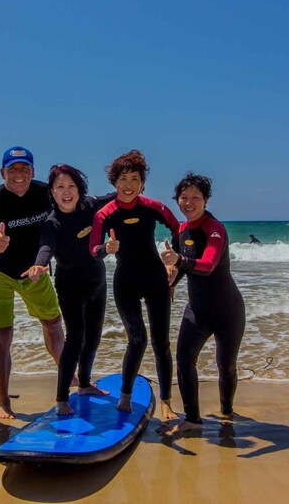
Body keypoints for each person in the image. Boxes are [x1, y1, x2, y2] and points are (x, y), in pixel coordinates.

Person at [0, 146, 65, 419]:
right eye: (12, 169)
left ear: (33, 172)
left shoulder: (45, 193)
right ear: (2, 172)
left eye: (24, 168)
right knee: (3, 335)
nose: (18, 174)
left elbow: (73, 208)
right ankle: (3, 401)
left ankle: (69, 376)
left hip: (34, 271)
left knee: (52, 323)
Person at [88, 149, 180, 420]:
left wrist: (175, 261)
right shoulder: (105, 215)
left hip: (155, 280)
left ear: (142, 183)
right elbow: (93, 249)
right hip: (125, 282)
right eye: (123, 179)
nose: (129, 185)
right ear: (114, 182)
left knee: (161, 342)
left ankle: (166, 402)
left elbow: (180, 231)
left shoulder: (154, 207)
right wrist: (107, 247)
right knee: (137, 339)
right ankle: (126, 394)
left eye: (134, 179)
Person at [22, 165, 116, 415]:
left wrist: (133, 187)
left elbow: (120, 195)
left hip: (97, 279)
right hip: (70, 283)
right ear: (52, 192)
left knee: (94, 335)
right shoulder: (52, 223)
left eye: (71, 186)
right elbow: (46, 247)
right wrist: (39, 264)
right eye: (60, 187)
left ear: (79, 189)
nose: (66, 192)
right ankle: (62, 397)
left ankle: (84, 385)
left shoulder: (91, 205)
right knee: (75, 337)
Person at [161, 173, 246, 433]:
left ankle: (227, 411)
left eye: (195, 197)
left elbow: (207, 265)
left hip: (227, 311)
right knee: (184, 359)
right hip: (197, 310)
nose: (189, 202)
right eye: (184, 197)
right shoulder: (181, 231)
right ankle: (192, 419)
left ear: (206, 201)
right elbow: (182, 265)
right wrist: (171, 281)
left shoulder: (215, 229)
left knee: (226, 367)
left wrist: (179, 261)